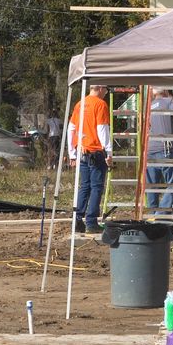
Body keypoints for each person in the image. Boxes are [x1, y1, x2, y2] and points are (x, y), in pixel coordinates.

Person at [67, 85, 112, 234]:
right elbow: (102, 129)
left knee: (85, 186)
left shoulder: (80, 104)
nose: (106, 92)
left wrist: (72, 153)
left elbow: (71, 128)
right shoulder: (100, 104)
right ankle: (91, 222)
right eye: (105, 89)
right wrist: (109, 152)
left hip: (82, 151)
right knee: (96, 187)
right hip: (96, 151)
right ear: (99, 88)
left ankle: (77, 220)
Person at [145, 88, 173, 214]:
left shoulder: (150, 106)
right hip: (166, 148)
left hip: (150, 149)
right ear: (167, 91)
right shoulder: (168, 101)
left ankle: (152, 214)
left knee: (152, 186)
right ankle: (160, 213)